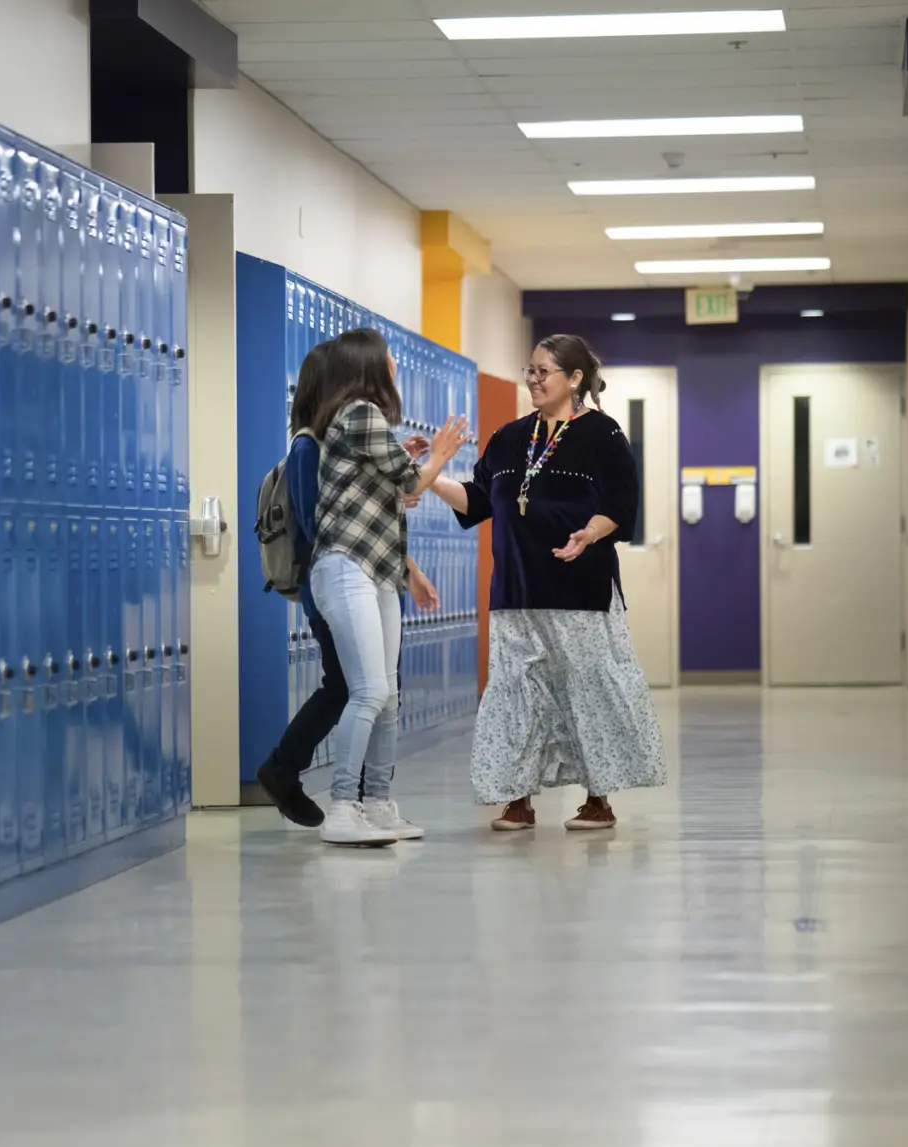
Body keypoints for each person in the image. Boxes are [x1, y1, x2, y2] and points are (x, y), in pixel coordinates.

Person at [427, 334, 665, 831]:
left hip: (580, 589)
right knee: (516, 692)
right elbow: (476, 502)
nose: (532, 379)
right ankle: (517, 797)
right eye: (529, 369)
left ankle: (598, 798)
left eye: (543, 371)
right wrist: (428, 477)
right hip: (516, 589)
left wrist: (589, 532)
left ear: (574, 379)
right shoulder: (510, 438)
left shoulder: (604, 434)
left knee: (587, 689)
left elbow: (623, 508)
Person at [257, 342, 445, 829]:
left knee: (373, 691)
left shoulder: (336, 439)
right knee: (357, 689)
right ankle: (299, 777)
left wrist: (411, 571)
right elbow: (324, 526)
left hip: (371, 574)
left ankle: (366, 797)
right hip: (339, 583)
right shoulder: (308, 445)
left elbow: (371, 507)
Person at [309, 328, 469, 846]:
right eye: (389, 356)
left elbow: (388, 490)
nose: (396, 362)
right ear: (368, 366)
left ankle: (377, 804)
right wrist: (439, 456)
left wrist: (407, 458)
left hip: (377, 569)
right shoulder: (360, 413)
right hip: (346, 565)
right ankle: (341, 807)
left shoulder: (363, 421)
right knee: (370, 689)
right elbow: (409, 486)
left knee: (389, 695)